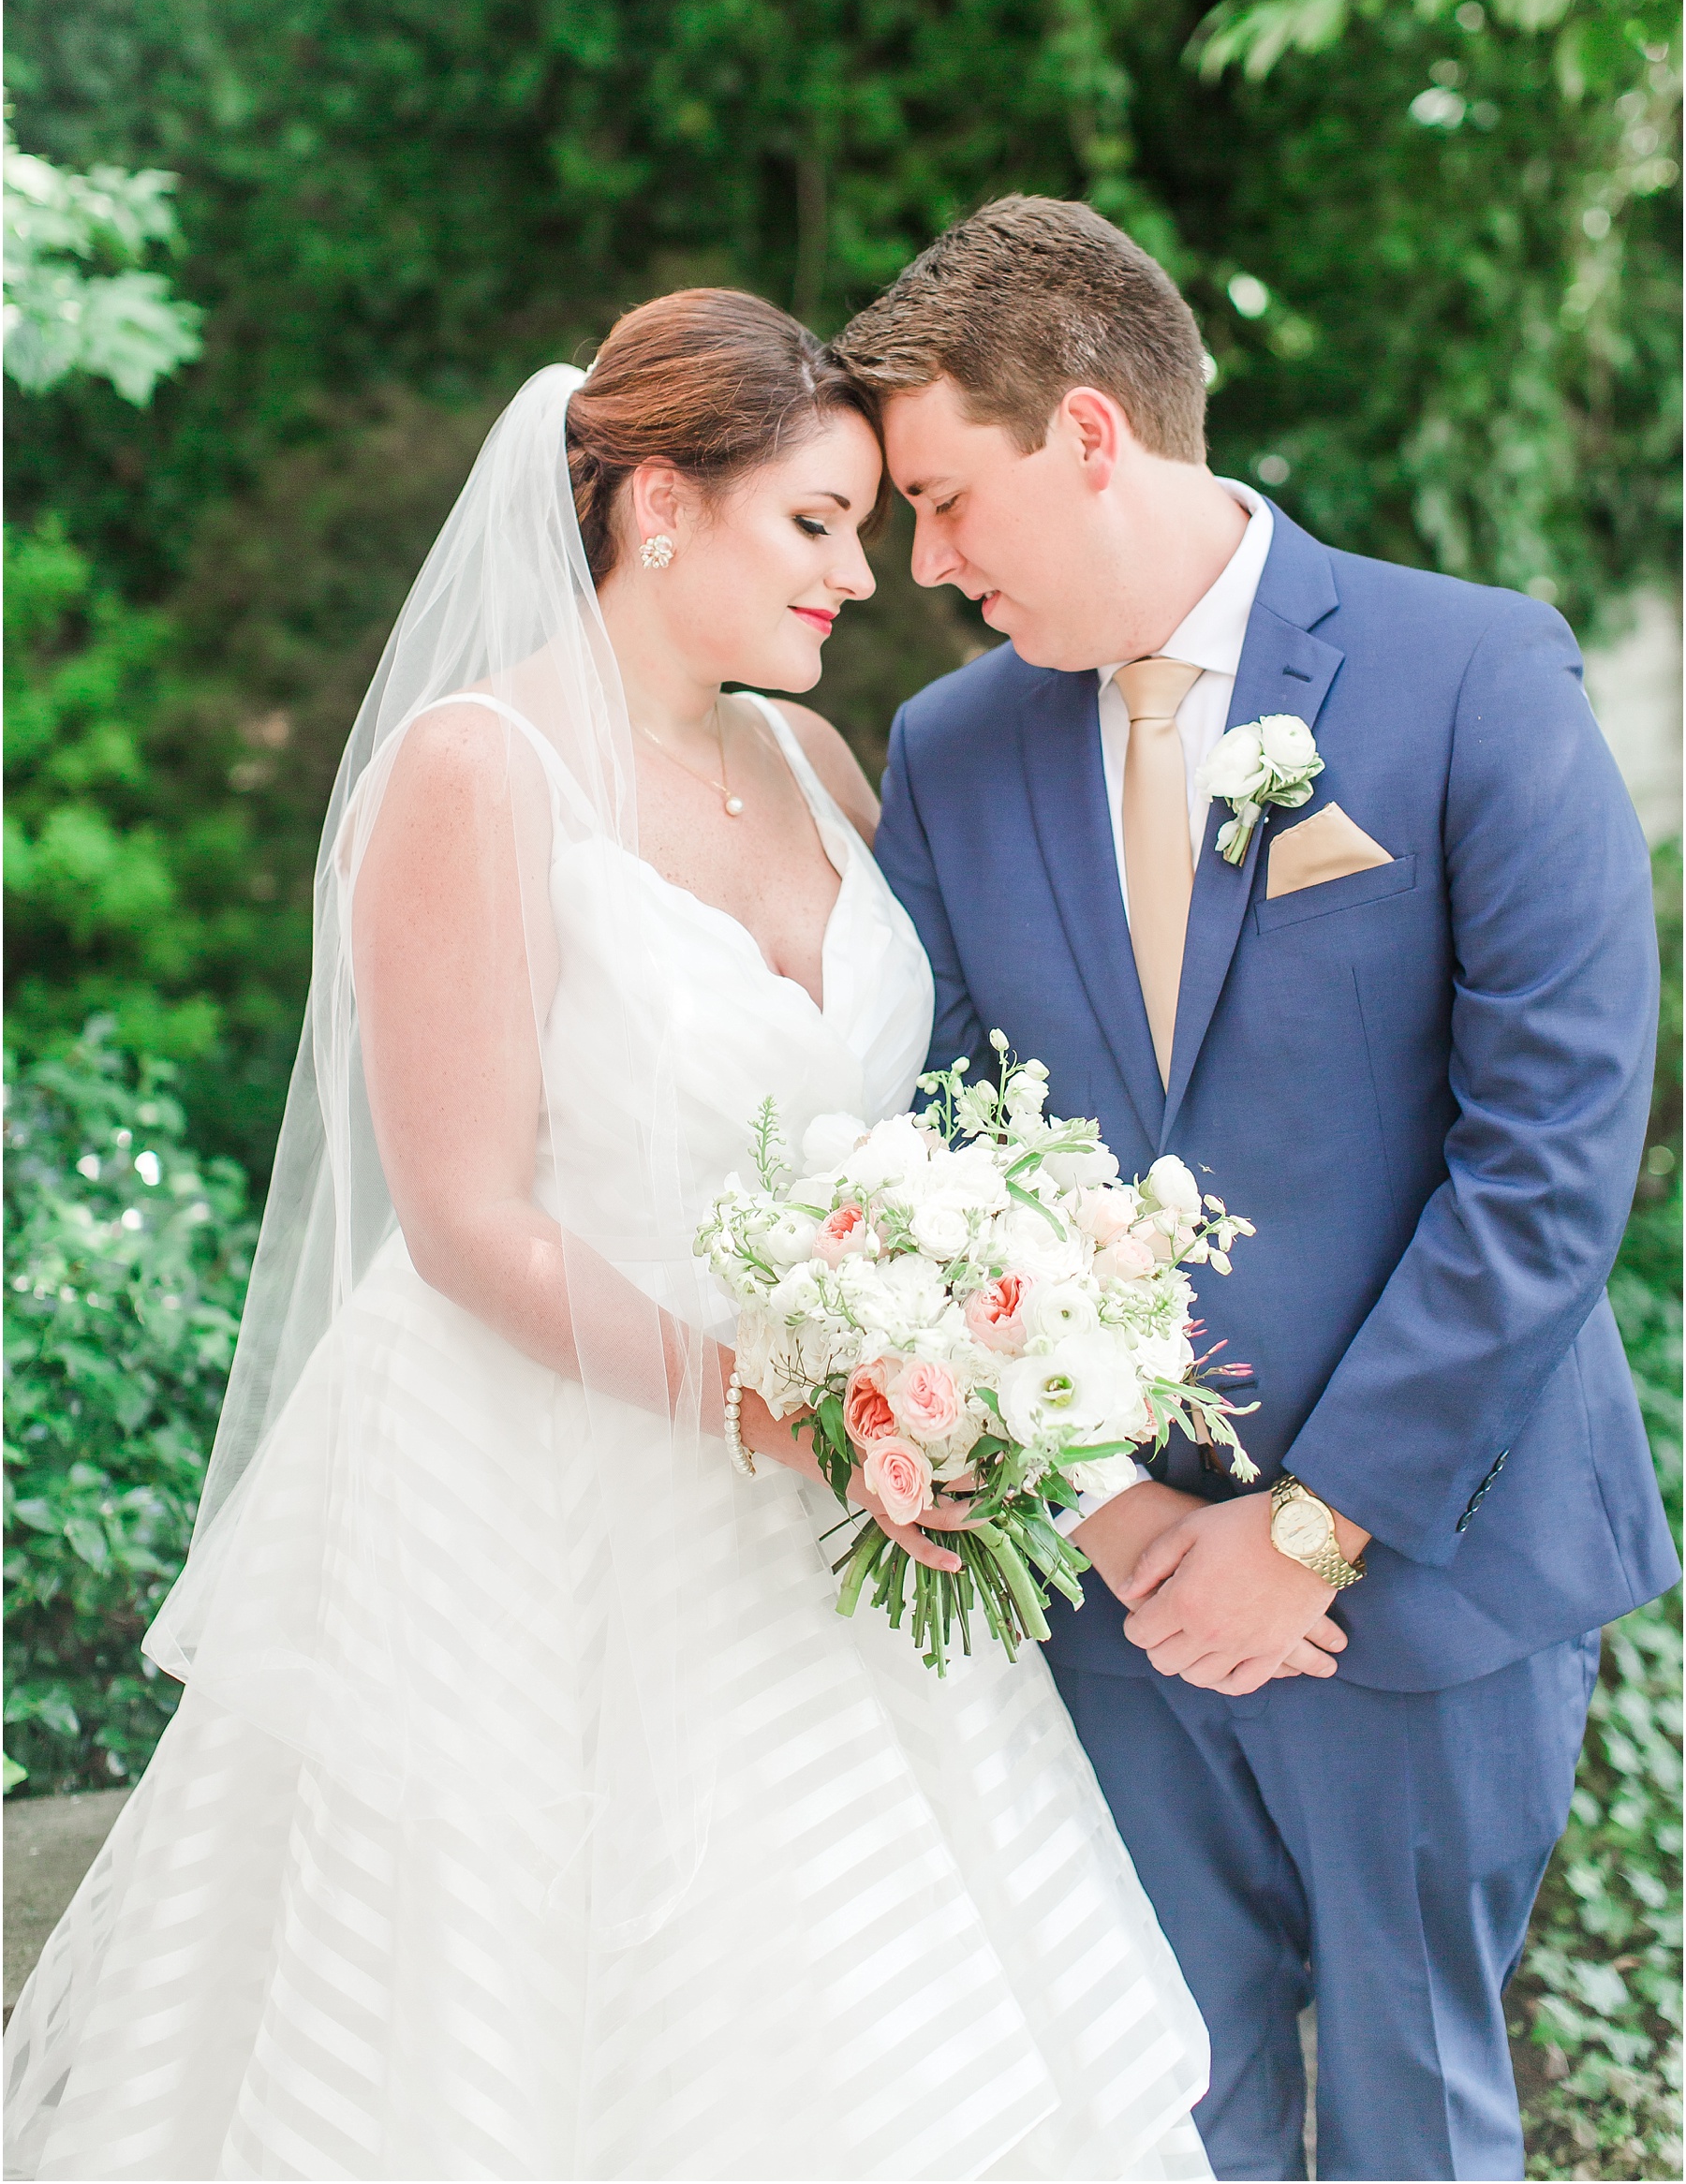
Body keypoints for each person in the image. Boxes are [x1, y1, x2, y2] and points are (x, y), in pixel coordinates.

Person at [5, 289, 1215, 2183]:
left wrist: (944, 1337)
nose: (862, 572)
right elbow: (470, 1214)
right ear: (663, 504)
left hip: (842, 1493)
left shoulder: (820, 770)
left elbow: (889, 1130)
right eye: (812, 522)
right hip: (546, 1491)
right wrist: (789, 1409)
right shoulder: (480, 770)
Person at [840, 197, 1679, 2184]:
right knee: (1159, 2098)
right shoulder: (951, 753)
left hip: (1429, 1565)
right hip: (1109, 1593)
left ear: (1094, 435)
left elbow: (1552, 1153)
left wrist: (1307, 1527)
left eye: (949, 499)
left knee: (1417, 2116)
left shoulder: (1471, 671)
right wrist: (1125, 1518)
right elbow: (938, 1143)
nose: (926, 563)